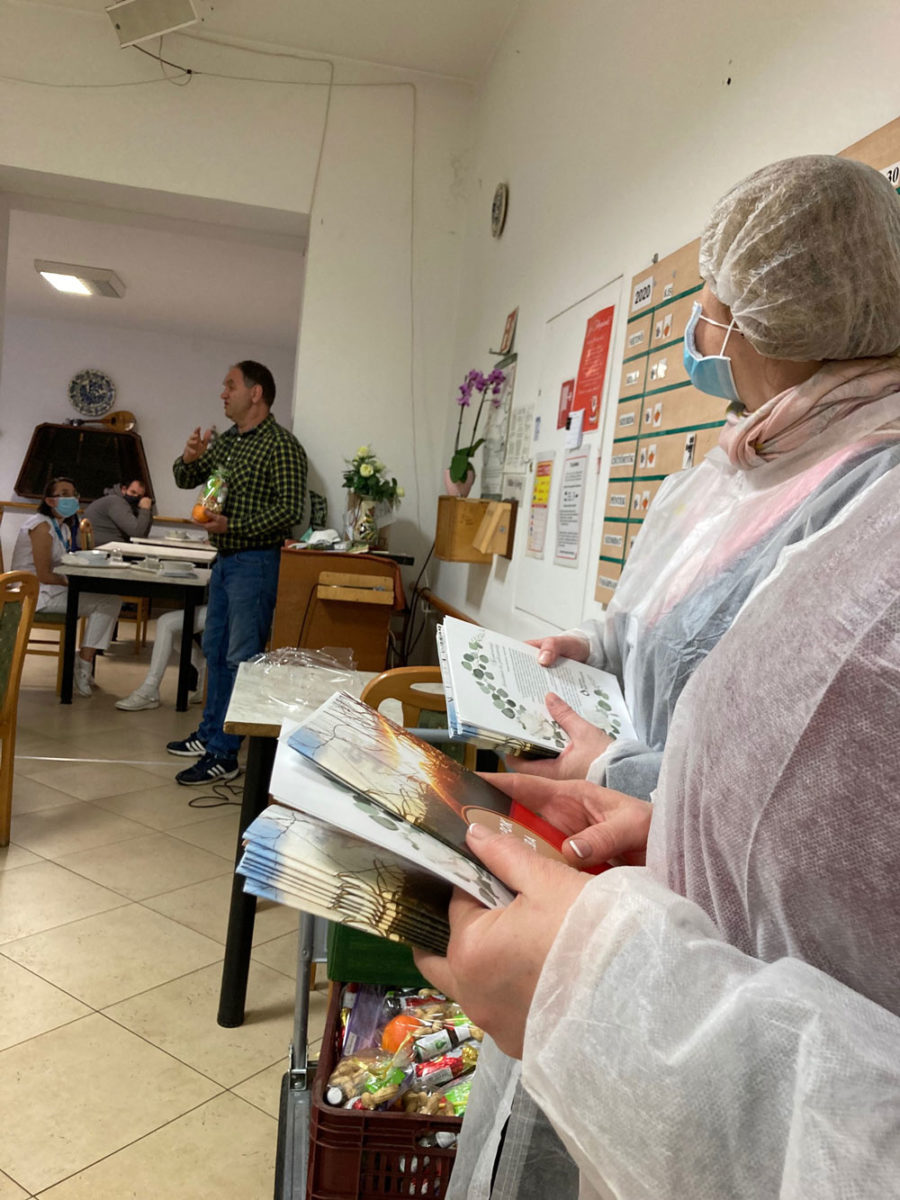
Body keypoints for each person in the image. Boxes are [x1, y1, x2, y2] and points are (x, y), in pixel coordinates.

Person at [428, 155, 900, 1199]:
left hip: (706, 1004)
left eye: (716, 302)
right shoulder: (739, 466)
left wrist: (630, 773)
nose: (701, 327)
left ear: (773, 317)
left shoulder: (865, 500)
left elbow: (791, 802)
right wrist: (600, 651)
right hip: (648, 936)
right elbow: (682, 635)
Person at [166, 360, 308, 785]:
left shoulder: (281, 446)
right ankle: (210, 733)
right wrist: (188, 457)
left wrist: (234, 526)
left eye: (230, 386)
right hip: (226, 560)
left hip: (256, 562)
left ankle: (225, 754)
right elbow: (187, 477)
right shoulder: (229, 440)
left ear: (256, 393)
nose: (223, 393)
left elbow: (289, 510)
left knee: (240, 658)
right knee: (214, 649)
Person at [11, 477, 121, 697]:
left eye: (73, 494)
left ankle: (83, 661)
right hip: (34, 594)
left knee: (109, 599)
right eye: (64, 494)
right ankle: (83, 665)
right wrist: (71, 582)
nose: (71, 499)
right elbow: (44, 574)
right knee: (108, 602)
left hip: (50, 588)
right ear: (50, 500)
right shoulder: (41, 527)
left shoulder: (61, 526)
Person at [115, 604, 208, 710]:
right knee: (171, 626)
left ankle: (151, 687)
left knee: (166, 623)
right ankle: (205, 672)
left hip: (222, 609)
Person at [82, 479, 155, 545]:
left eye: (139, 496)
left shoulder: (128, 505)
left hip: (106, 546)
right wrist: (145, 509)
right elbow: (137, 533)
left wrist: (147, 510)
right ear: (124, 489)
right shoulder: (115, 501)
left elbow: (143, 534)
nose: (135, 497)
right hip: (98, 548)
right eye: (133, 492)